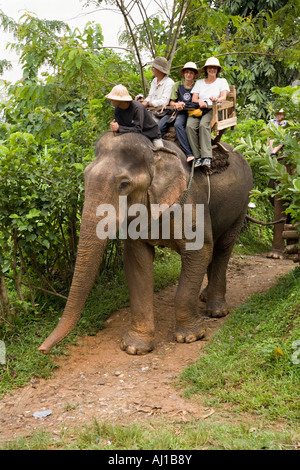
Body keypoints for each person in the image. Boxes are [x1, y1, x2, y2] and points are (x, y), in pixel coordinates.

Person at [186, 57, 230, 168]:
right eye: (210, 67)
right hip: (199, 109)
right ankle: (197, 157)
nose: (212, 70)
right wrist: (200, 101)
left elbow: (223, 97)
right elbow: (194, 99)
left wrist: (216, 99)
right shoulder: (200, 82)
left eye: (214, 68)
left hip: (214, 109)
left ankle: (206, 157)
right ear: (206, 69)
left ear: (218, 70)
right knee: (189, 126)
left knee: (203, 125)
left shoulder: (222, 81)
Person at [158, 61, 200, 163]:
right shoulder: (178, 85)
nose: (188, 75)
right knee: (160, 126)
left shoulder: (197, 86)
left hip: (188, 113)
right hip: (175, 111)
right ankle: (158, 148)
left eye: (191, 73)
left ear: (194, 75)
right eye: (187, 72)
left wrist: (185, 105)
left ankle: (188, 153)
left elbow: (196, 101)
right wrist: (176, 104)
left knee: (178, 125)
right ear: (184, 74)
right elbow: (172, 101)